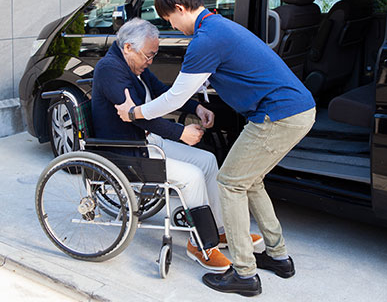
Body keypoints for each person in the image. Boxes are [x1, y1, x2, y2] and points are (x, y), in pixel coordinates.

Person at [115, 0, 316, 297]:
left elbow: (174, 99)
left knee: (230, 183)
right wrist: (200, 106)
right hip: (296, 110)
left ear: (180, 9)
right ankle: (279, 258)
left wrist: (135, 113)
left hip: (278, 115)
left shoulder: (205, 40)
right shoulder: (219, 26)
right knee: (250, 181)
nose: (173, 26)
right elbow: (198, 88)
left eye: (170, 19)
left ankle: (244, 274)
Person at [91, 18, 262, 272]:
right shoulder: (110, 70)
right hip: (125, 151)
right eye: (148, 56)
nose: (150, 61)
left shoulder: (134, 65)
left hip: (146, 142)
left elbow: (162, 91)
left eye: (154, 55)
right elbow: (136, 118)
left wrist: (196, 107)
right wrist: (180, 132)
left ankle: (219, 230)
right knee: (191, 176)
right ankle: (201, 245)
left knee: (207, 161)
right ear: (128, 47)